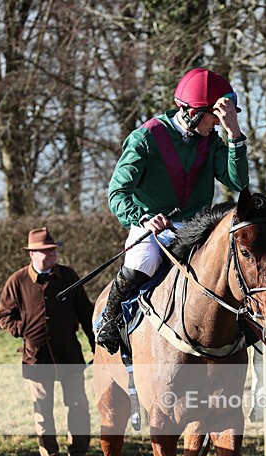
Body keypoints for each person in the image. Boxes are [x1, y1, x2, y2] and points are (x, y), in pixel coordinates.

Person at [96, 67, 249, 354]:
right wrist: (142, 217)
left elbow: (238, 181)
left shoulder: (213, 140)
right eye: (213, 118)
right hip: (153, 226)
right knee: (143, 262)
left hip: (198, 227)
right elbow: (117, 193)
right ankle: (110, 317)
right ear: (191, 112)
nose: (216, 125)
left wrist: (234, 134)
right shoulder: (145, 137)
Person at [0, 228, 95, 456]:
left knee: (79, 405)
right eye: (45, 252)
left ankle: (79, 453)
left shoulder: (69, 276)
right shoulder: (17, 281)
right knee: (43, 410)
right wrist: (23, 329)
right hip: (36, 358)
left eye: (53, 251)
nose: (51, 256)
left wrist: (97, 345)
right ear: (32, 254)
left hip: (70, 355)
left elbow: (85, 312)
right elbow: (3, 316)